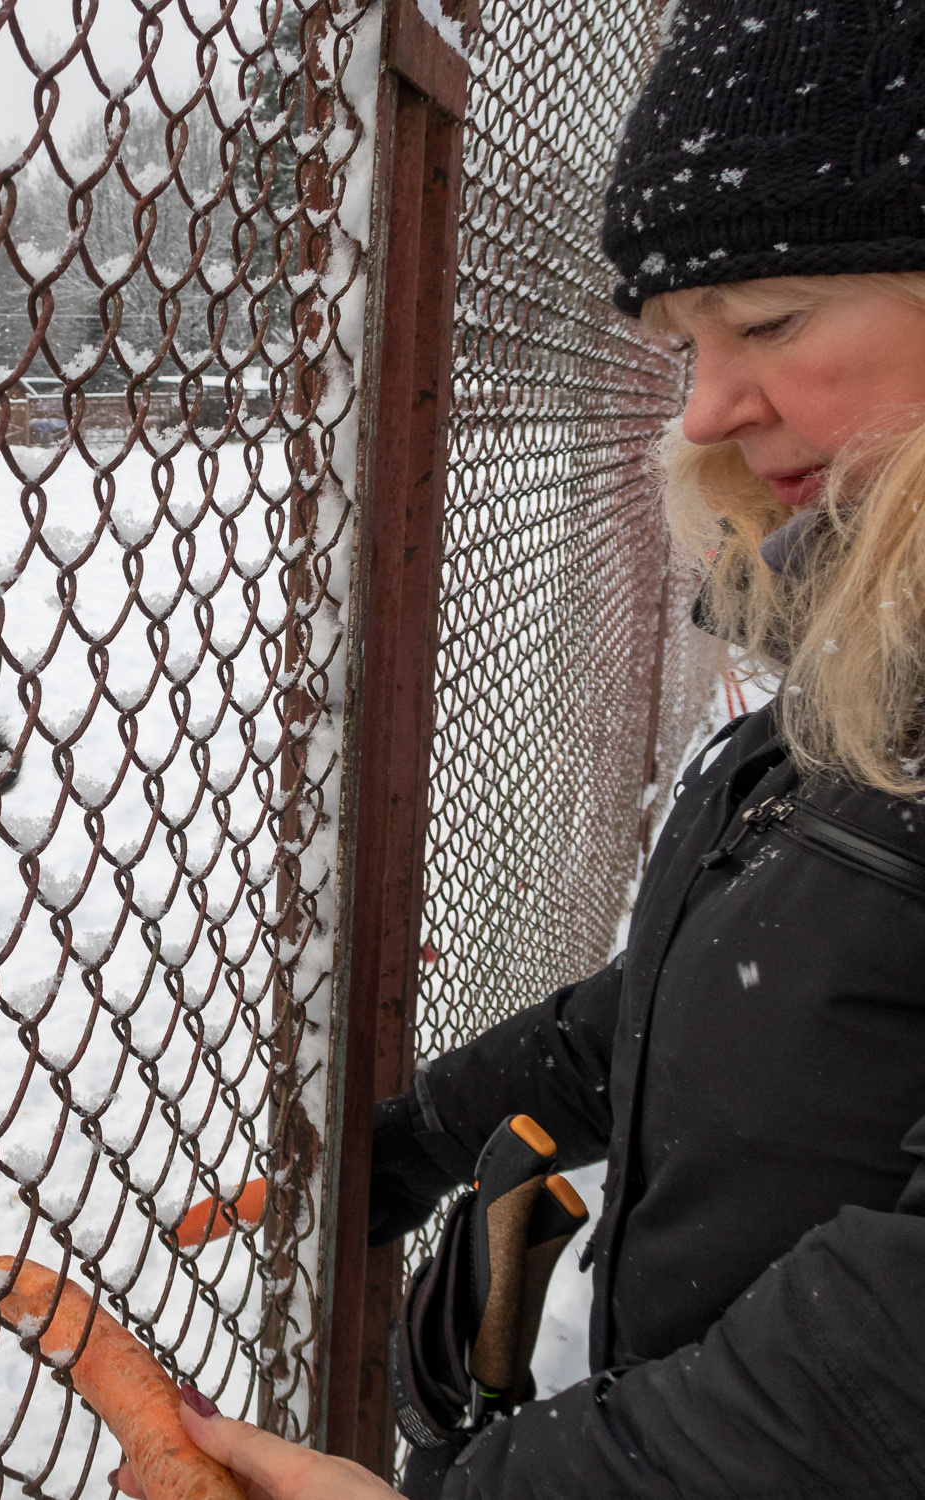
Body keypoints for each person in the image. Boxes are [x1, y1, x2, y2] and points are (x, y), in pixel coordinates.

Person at [116, 1, 925, 1495]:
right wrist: (413, 1144)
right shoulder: (863, 671)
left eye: (771, 320)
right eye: (683, 341)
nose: (707, 410)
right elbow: (735, 993)